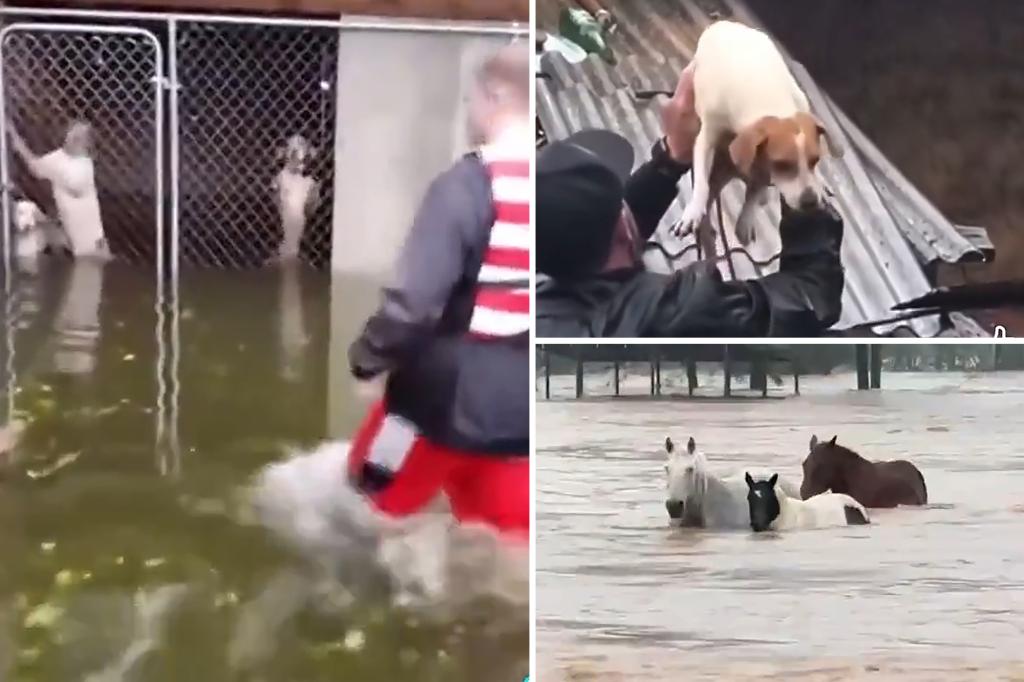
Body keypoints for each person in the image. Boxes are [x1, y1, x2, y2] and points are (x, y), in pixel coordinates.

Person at [345, 43, 531, 541]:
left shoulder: (466, 186)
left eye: (472, 100)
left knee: (360, 507)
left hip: (430, 409)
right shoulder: (562, 184)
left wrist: (367, 361)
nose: (470, 112)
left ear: (493, 96)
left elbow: (412, 307)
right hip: (523, 422)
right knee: (505, 550)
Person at [536, 66, 846, 337]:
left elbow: (602, 228)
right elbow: (812, 295)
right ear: (623, 230)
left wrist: (671, 159)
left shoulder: (543, 311)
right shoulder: (682, 312)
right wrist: (805, 199)